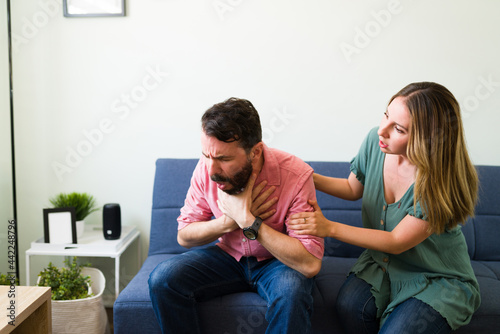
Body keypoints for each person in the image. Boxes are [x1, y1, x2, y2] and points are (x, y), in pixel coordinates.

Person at [289, 82, 480, 333]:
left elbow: (396, 241)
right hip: (383, 265)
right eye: (386, 115)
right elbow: (352, 188)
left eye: (398, 129)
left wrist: (328, 228)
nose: (382, 130)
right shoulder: (375, 142)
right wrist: (304, 175)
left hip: (435, 276)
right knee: (349, 306)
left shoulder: (438, 183)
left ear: (427, 139)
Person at [149, 97, 324, 334]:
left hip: (278, 263)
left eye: (224, 159)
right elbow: (184, 236)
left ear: (255, 152)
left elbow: (310, 263)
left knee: (291, 294)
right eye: (207, 156)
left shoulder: (296, 175)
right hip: (227, 257)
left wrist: (249, 221)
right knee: (163, 279)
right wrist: (228, 221)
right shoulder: (207, 166)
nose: (211, 170)